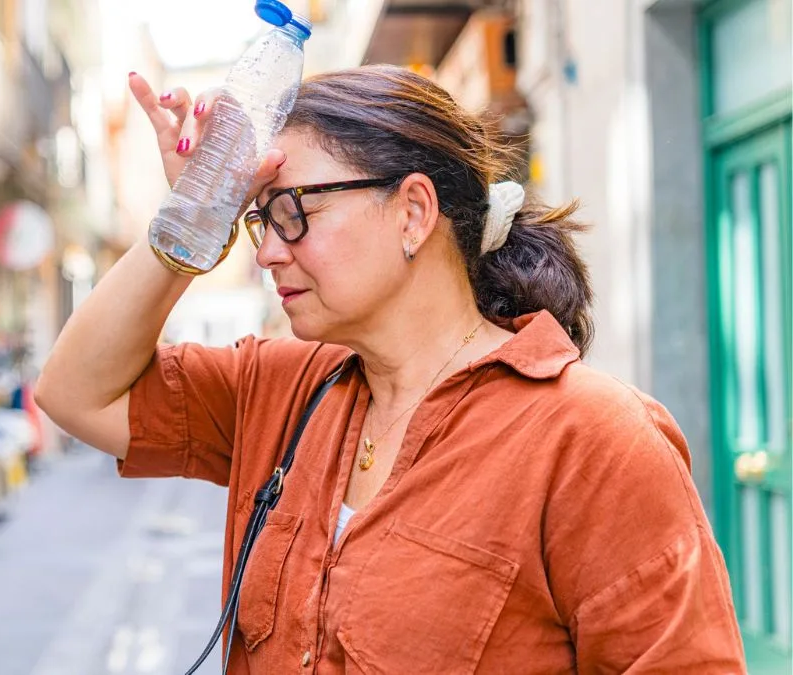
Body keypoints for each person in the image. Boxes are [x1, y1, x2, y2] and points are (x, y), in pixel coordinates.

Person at [36, 65, 745, 673]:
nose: (265, 251)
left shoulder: (592, 439)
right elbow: (74, 393)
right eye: (256, 218)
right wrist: (191, 218)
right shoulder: (280, 387)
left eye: (291, 211)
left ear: (412, 212)